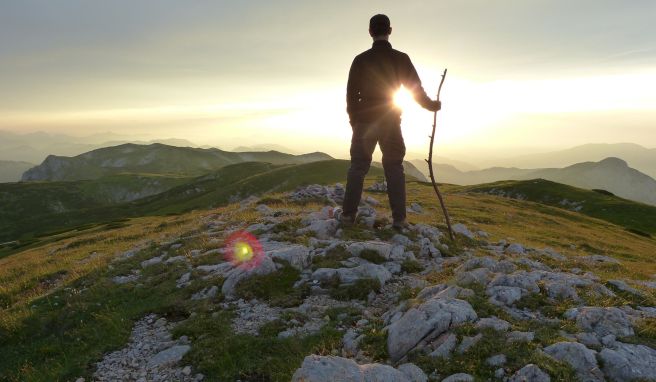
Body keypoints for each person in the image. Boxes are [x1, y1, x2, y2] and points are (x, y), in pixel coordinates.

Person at [337, 14, 441, 230]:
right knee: (394, 167)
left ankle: (347, 217)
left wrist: (354, 120)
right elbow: (415, 90)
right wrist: (431, 105)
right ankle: (400, 221)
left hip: (364, 121)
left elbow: (350, 94)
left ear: (370, 32)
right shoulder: (401, 58)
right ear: (390, 30)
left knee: (358, 167)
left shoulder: (360, 59)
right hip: (390, 121)